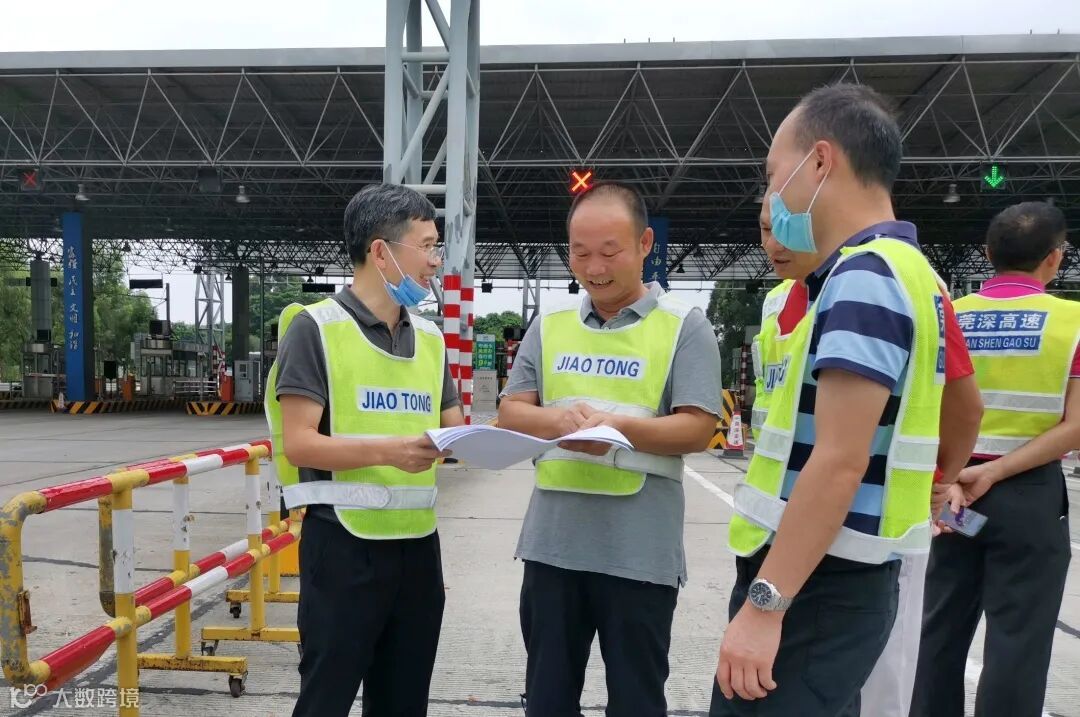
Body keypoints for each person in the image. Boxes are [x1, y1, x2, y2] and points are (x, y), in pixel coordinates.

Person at [710, 83, 950, 716]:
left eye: (774, 174)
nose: (771, 194)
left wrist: (765, 605)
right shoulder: (914, 273)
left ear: (820, 162)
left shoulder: (863, 277)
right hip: (847, 575)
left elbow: (840, 459)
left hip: (816, 582)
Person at [497, 181, 723, 717]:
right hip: (553, 548)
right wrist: (559, 422)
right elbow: (511, 411)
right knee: (547, 699)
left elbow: (698, 427)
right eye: (579, 253)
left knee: (637, 700)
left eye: (609, 251)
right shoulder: (549, 326)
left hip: (639, 554)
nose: (594, 268)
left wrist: (618, 429)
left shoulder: (684, 328)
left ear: (645, 244)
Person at [749, 199, 982, 717]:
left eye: (783, 226)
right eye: (764, 229)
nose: (773, 243)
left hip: (869, 536)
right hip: (788, 528)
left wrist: (936, 483)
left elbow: (965, 407)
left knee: (875, 684)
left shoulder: (892, 281)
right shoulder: (779, 301)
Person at [266, 183, 464, 717]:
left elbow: (452, 427)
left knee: (404, 701)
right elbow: (301, 442)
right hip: (343, 547)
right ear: (381, 252)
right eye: (427, 246)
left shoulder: (430, 338)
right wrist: (390, 451)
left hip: (417, 548)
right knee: (326, 699)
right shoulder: (315, 330)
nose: (436, 261)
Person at [911, 201, 1080, 717]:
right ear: (1055, 257)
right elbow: (1076, 425)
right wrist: (997, 470)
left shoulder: (947, 314)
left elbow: (920, 407)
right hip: (1028, 495)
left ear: (987, 254)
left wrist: (950, 476)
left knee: (938, 630)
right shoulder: (1072, 322)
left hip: (948, 492)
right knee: (1018, 642)